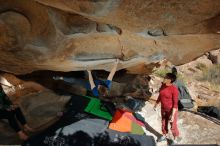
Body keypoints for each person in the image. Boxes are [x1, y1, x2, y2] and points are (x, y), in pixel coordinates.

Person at [0, 74, 33, 140]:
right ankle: (20, 134)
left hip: (2, 107)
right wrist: (6, 107)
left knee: (16, 108)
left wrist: (11, 105)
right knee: (9, 114)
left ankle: (25, 127)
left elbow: (5, 98)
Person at [154, 73, 180, 144]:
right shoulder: (163, 85)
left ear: (170, 80)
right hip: (163, 109)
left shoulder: (174, 89)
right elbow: (160, 96)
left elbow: (175, 103)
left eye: (166, 77)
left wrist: (173, 115)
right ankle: (164, 135)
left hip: (172, 110)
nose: (164, 78)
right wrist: (156, 104)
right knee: (163, 123)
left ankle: (175, 139)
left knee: (173, 125)